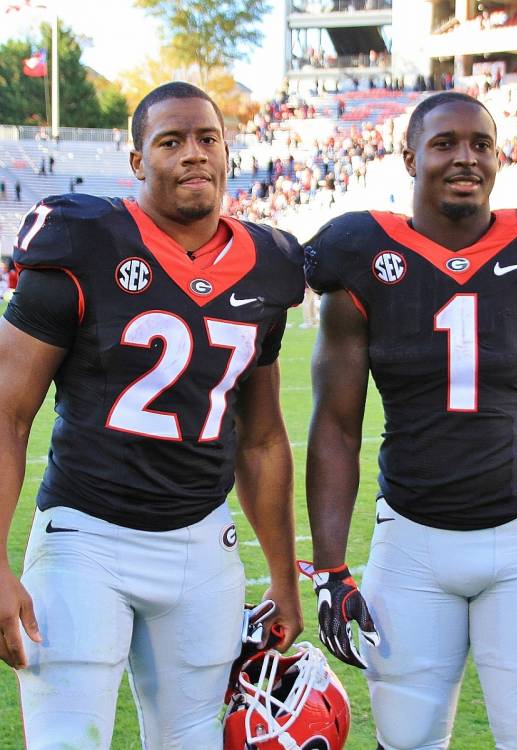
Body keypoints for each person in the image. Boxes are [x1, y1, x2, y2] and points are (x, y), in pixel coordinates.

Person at [0, 81, 304, 750]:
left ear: (227, 153)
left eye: (207, 138)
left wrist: (284, 576)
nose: (193, 153)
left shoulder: (268, 266)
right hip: (85, 540)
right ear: (137, 162)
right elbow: (7, 415)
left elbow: (260, 440)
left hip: (203, 547)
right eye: (171, 141)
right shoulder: (84, 239)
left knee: (192, 739)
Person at [303, 91, 517, 750]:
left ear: (499, 157)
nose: (465, 158)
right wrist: (329, 568)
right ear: (409, 157)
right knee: (405, 740)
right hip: (409, 545)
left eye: (480, 144)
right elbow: (336, 428)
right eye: (444, 144)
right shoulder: (360, 252)